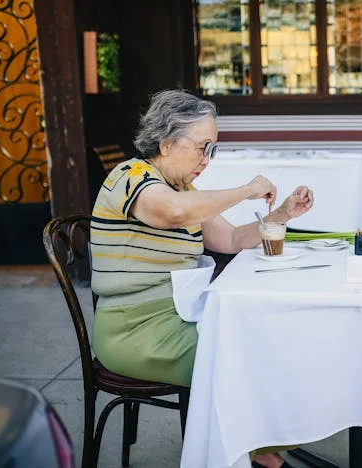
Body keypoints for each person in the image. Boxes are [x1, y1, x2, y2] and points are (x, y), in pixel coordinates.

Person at [90, 89, 312, 468]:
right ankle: (264, 455)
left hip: (178, 316)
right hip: (135, 330)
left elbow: (229, 239)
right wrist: (245, 190)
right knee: (246, 356)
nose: (207, 160)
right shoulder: (130, 176)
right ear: (166, 143)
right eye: (202, 147)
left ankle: (261, 450)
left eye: (213, 150)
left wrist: (283, 216)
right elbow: (173, 213)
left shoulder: (183, 189)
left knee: (271, 337)